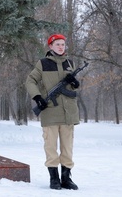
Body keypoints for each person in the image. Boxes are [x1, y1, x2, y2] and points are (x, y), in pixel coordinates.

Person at [26, 33, 81, 190]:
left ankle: (66, 178)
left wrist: (75, 83)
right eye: (57, 44)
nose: (61, 47)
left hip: (69, 112)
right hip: (50, 111)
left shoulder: (69, 63)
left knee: (67, 147)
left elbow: (72, 86)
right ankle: (54, 178)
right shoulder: (43, 63)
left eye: (63, 44)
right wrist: (37, 97)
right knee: (50, 146)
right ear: (50, 46)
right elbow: (30, 81)